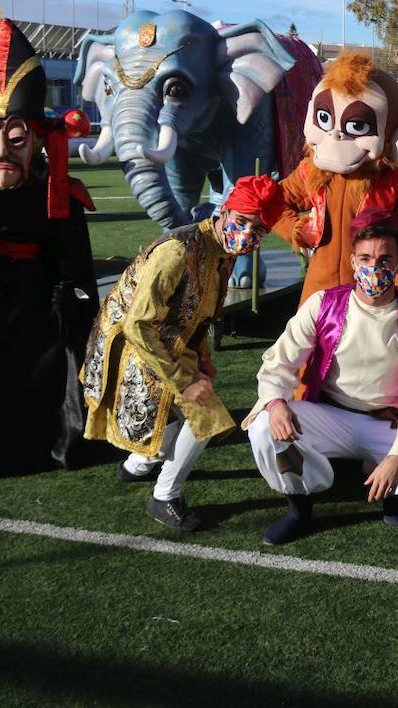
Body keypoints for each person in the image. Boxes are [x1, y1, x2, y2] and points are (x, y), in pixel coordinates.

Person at [245, 209, 398, 545]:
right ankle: (300, 506)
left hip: (390, 425)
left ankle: (387, 482)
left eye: (384, 259)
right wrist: (277, 402)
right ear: (352, 261)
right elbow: (280, 361)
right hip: (330, 416)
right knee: (264, 424)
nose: (374, 267)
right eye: (365, 258)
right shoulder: (323, 304)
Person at [0, 11, 98, 479]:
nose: (0, 152)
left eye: (14, 139)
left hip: (43, 290)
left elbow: (73, 266)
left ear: (38, 142)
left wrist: (65, 302)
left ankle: (63, 438)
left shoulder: (61, 194)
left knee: (70, 325)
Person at [81, 175, 285, 532]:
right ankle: (164, 496)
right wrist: (184, 380)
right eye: (242, 221)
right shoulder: (178, 251)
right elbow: (138, 324)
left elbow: (197, 315)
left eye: (259, 228)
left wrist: (202, 360)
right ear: (225, 211)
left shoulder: (223, 251)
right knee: (204, 417)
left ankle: (137, 466)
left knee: (182, 413)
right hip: (134, 344)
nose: (248, 233)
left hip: (167, 341)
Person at [272, 52, 398, 304]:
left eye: (356, 125)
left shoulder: (396, 182)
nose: (336, 134)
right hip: (318, 293)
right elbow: (275, 200)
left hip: (371, 298)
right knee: (311, 342)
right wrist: (295, 230)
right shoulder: (312, 171)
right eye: (324, 118)